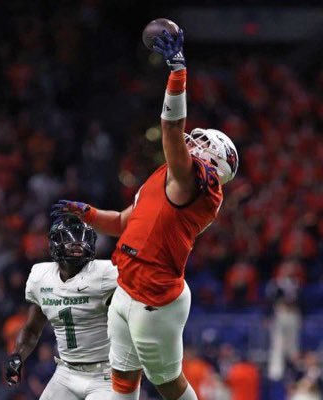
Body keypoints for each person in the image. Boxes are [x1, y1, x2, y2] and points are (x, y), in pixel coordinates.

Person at [51, 27, 238, 400]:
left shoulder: (197, 183)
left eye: (202, 143)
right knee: (121, 380)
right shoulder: (172, 176)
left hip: (154, 298)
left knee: (168, 383)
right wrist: (89, 215)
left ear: (213, 163)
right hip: (128, 283)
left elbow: (171, 128)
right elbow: (125, 222)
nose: (193, 141)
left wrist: (178, 73)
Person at [4, 213, 118, 399]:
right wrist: (17, 355)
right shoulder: (41, 277)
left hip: (105, 373)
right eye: (69, 238)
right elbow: (32, 330)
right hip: (67, 371)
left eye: (81, 238)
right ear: (55, 243)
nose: (77, 244)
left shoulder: (105, 273)